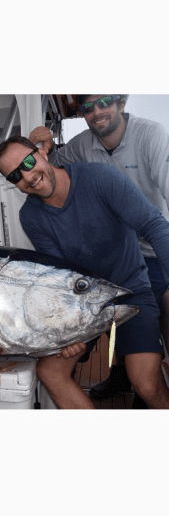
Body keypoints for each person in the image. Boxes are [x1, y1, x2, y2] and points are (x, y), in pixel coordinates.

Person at [0, 134, 169, 410]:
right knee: (50, 372)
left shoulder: (100, 177)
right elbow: (61, 278)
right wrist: (67, 331)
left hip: (130, 290)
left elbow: (153, 224)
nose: (28, 176)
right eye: (15, 175)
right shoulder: (30, 216)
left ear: (42, 153)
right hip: (82, 303)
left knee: (146, 384)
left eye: (28, 162)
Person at [29, 95, 169, 400]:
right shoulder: (81, 145)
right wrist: (45, 148)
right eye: (87, 108)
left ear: (121, 103)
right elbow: (45, 171)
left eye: (104, 101)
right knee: (115, 313)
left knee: (161, 315)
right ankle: (121, 373)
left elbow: (158, 217)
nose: (96, 111)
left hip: (154, 244)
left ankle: (147, 379)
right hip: (117, 246)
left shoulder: (151, 134)